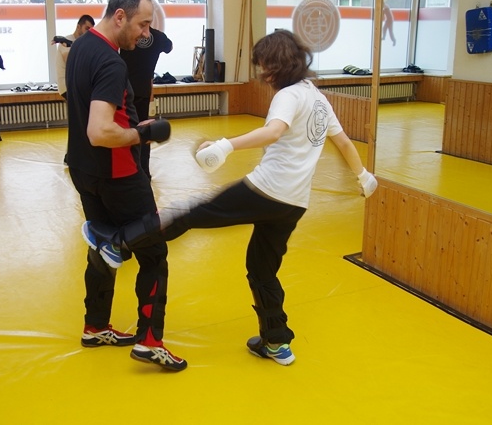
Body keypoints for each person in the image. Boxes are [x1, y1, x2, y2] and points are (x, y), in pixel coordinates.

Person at [84, 29, 378, 366]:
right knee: (262, 269)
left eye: (264, 66)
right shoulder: (317, 97)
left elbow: (273, 131)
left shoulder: (288, 96)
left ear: (277, 64)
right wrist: (363, 176)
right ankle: (276, 341)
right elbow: (343, 142)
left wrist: (226, 145)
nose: (263, 74)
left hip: (266, 190)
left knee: (192, 212)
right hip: (293, 204)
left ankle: (118, 243)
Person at [66, 0, 186, 371]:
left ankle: (95, 326)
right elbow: (100, 131)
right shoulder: (112, 62)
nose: (145, 33)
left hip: (85, 171)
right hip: (118, 175)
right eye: (142, 24)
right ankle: (150, 341)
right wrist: (141, 134)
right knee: (154, 253)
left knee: (103, 246)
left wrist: (135, 124)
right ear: (120, 16)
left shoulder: (81, 46)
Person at [120, 27, 173, 177]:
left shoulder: (127, 33)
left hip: (124, 90)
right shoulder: (158, 36)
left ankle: (130, 170)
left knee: (126, 130)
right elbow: (169, 47)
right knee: (143, 130)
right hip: (142, 90)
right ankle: (144, 171)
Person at [54, 14, 95, 99]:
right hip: (67, 86)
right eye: (86, 29)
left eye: (91, 30)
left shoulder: (81, 43)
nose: (88, 33)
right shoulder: (66, 41)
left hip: (75, 86)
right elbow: (71, 62)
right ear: (78, 27)